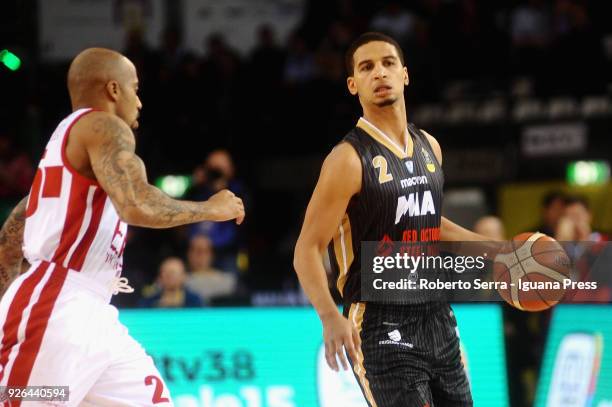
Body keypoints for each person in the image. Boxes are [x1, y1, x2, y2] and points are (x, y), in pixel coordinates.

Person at [0, 48, 244, 405]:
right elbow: (135, 203)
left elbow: (12, 234)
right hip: (55, 305)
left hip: (88, 312)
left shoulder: (62, 152)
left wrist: (7, 299)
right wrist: (209, 207)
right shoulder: (104, 125)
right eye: (136, 88)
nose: (140, 102)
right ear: (114, 90)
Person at [294, 32, 499, 407]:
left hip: (437, 314)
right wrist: (328, 316)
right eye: (367, 67)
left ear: (405, 74)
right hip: (379, 321)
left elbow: (431, 223)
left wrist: (498, 251)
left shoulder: (430, 146)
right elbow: (306, 248)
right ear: (353, 85)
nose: (380, 73)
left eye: (388, 63)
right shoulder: (346, 159)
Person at [185, 235, 236, 302]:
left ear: (212, 255)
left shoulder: (227, 280)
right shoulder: (180, 281)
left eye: (205, 251)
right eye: (197, 251)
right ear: (189, 254)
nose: (201, 256)